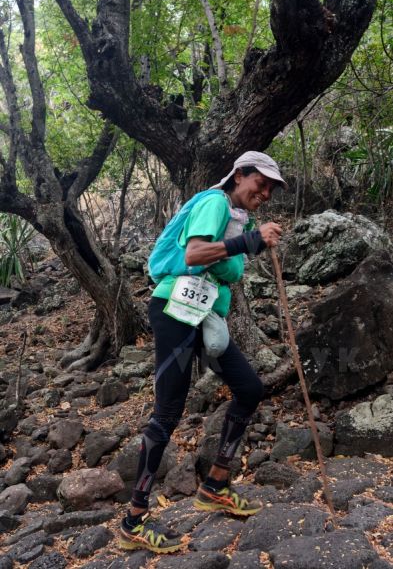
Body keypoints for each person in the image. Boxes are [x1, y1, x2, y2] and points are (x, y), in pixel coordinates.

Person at [119, 151, 286, 553]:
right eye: (259, 182)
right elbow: (194, 254)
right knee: (167, 415)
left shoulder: (236, 218)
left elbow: (223, 269)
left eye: (270, 189)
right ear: (240, 174)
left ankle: (214, 485)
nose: (264, 193)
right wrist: (251, 241)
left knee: (249, 389)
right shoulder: (214, 202)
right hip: (174, 312)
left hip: (203, 316)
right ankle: (133, 522)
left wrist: (246, 241)